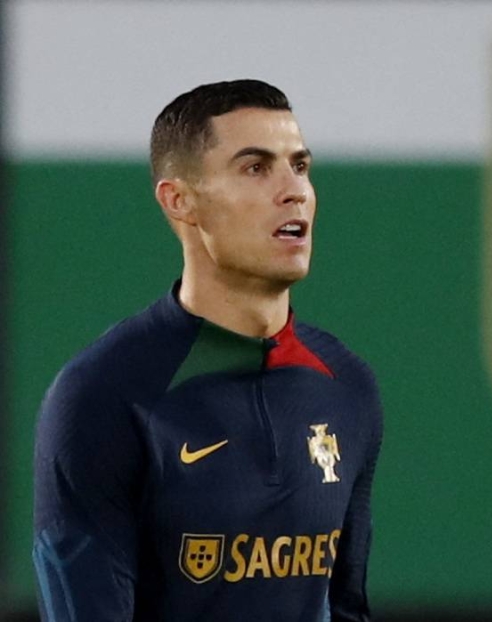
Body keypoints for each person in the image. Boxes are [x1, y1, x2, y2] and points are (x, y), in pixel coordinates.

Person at [32, 79, 383, 621]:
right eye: (256, 167)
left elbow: (347, 609)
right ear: (180, 200)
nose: (293, 190)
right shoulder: (102, 396)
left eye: (300, 166)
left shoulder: (346, 385)